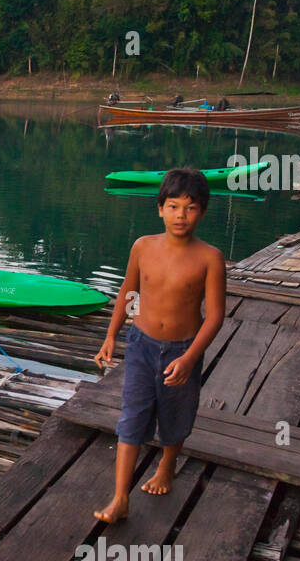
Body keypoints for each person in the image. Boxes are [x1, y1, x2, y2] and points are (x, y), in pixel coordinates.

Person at [91, 168, 226, 524]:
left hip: (183, 349)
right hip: (141, 344)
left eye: (191, 207)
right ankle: (120, 497)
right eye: (173, 206)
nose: (181, 215)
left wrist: (190, 357)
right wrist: (111, 335)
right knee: (132, 415)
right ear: (160, 209)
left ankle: (167, 465)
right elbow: (128, 293)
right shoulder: (143, 247)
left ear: (203, 212)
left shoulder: (210, 257)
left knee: (175, 415)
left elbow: (214, 316)